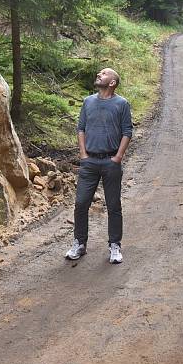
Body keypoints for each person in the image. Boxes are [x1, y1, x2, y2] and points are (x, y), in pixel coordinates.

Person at [65, 67, 133, 264]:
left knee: (113, 205)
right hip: (90, 162)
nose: (98, 75)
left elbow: (127, 132)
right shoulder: (88, 102)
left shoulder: (122, 104)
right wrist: (83, 154)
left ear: (112, 82)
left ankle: (115, 245)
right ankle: (79, 243)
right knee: (81, 203)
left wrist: (118, 157)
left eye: (103, 74)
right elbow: (81, 128)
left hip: (111, 161)